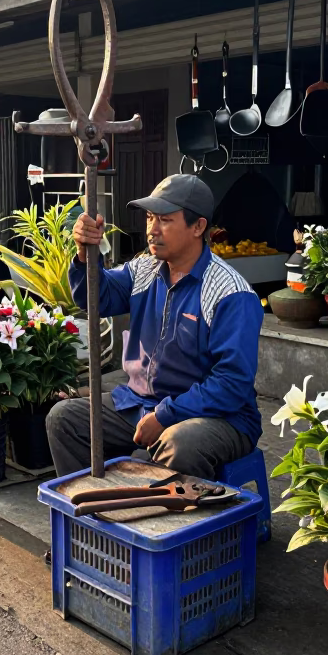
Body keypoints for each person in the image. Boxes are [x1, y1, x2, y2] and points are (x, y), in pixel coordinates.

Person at [46, 174, 264, 479]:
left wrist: (166, 415)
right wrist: (84, 256)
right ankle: (95, 516)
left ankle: (173, 524)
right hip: (141, 402)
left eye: (165, 220)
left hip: (218, 416)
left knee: (179, 444)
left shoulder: (230, 293)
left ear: (198, 227)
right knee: (65, 419)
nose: (152, 230)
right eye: (150, 218)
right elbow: (96, 298)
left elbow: (232, 383)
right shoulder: (144, 269)